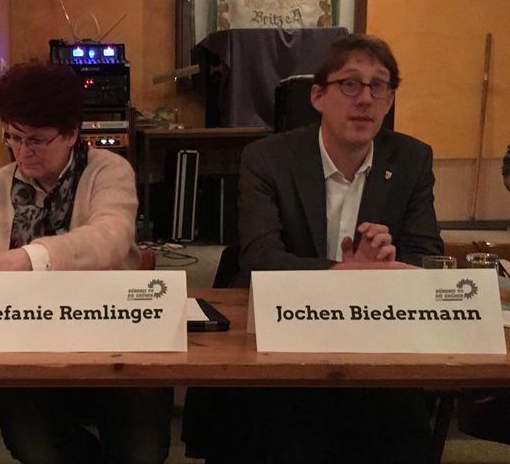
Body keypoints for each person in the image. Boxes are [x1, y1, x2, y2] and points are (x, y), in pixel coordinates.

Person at [184, 34, 443, 463]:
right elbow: (260, 259)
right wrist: (343, 275)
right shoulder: (267, 159)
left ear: (390, 99)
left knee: (400, 435)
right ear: (318, 96)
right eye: (350, 84)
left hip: (376, 335)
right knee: (293, 434)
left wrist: (388, 265)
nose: (365, 99)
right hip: (289, 333)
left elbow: (426, 256)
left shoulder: (412, 160)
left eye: (378, 86)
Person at [0, 62, 171, 464]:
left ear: (72, 133)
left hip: (111, 333)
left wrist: (30, 257)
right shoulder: (3, 181)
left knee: (141, 451)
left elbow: (111, 238)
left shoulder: (108, 170)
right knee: (36, 448)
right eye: (13, 137)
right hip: (28, 337)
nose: (22, 151)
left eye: (36, 140)